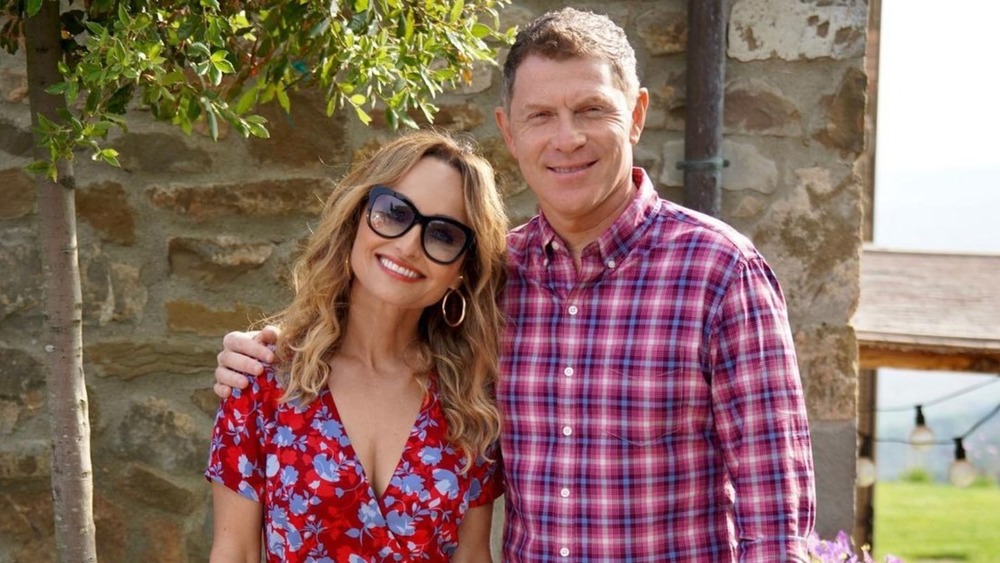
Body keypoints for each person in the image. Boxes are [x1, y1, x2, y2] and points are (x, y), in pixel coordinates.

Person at [214, 8, 816, 561]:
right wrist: (266, 349)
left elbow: (777, 526)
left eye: (591, 110)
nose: (566, 138)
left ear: (635, 115)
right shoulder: (494, 279)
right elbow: (383, 309)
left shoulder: (720, 274)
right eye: (540, 116)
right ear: (509, 131)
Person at [205, 130, 510, 563]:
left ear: (463, 270)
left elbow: (472, 556)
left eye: (443, 235)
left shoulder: (470, 401)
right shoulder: (263, 379)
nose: (408, 246)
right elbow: (233, 550)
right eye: (394, 212)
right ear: (356, 218)